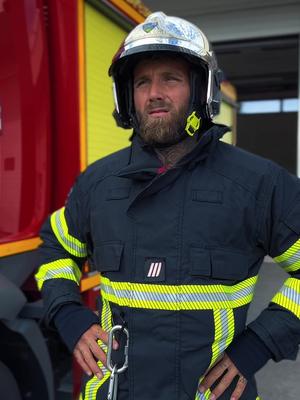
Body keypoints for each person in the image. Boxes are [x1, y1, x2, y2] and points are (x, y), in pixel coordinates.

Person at [35, 11, 300, 400]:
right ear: (128, 96)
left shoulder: (258, 184)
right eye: (142, 82)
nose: (154, 92)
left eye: (170, 79)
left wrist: (259, 344)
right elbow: (57, 250)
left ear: (201, 89)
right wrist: (69, 316)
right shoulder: (97, 183)